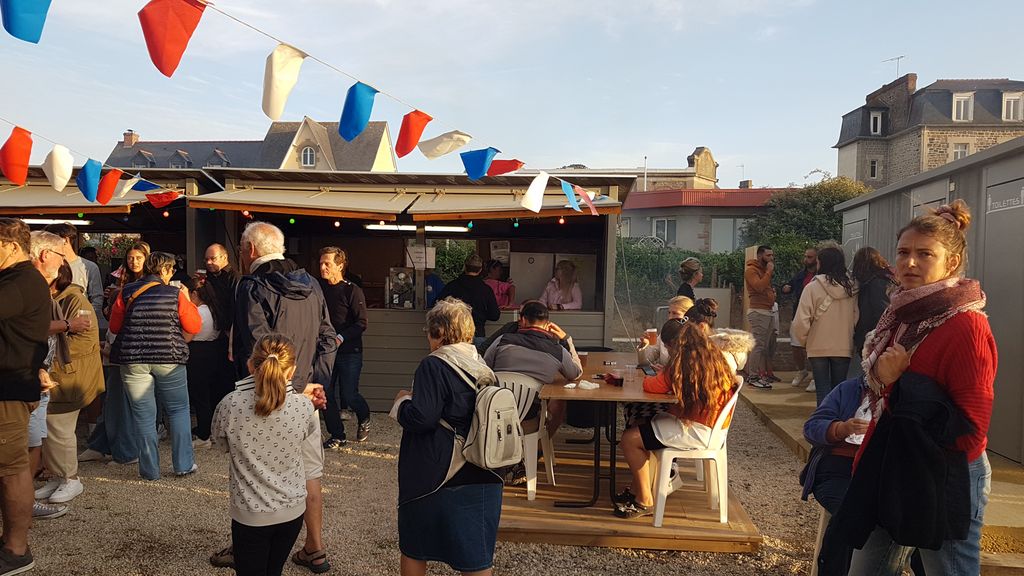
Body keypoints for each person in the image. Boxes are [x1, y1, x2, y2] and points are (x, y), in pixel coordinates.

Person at [844, 200, 995, 575]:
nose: (910, 262)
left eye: (925, 254)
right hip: (896, 458)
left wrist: (898, 381)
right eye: (903, 252)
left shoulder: (966, 326)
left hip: (944, 472)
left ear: (951, 263)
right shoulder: (900, 315)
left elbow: (971, 430)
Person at [216, 221, 336, 574]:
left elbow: (258, 346)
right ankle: (314, 547)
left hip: (264, 396)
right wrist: (314, 383)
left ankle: (249, 546)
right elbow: (329, 337)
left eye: (240, 249)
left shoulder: (251, 286)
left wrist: (288, 387)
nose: (240, 256)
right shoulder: (312, 283)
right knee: (308, 471)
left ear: (250, 250)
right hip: (304, 397)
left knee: (255, 470)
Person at [394, 298, 503, 576]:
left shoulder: (434, 365)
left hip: (437, 472)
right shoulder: (482, 365)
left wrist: (402, 403)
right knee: (476, 556)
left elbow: (423, 418)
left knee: (415, 546)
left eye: (429, 332)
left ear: (439, 332)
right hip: (482, 468)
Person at [615, 316, 743, 519]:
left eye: (668, 348)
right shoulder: (711, 355)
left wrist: (663, 374)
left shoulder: (682, 363)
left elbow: (651, 386)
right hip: (710, 426)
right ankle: (637, 489)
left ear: (674, 344)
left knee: (630, 439)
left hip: (697, 430)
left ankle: (645, 501)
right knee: (642, 424)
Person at [212, 335, 319, 576]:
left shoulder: (230, 404)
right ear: (292, 370)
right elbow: (305, 435)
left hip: (250, 513)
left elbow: (220, 443)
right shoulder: (304, 406)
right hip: (292, 510)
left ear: (251, 365)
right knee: (274, 570)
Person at [108, 251, 201, 480]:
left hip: (133, 360)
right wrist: (187, 299)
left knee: (143, 415)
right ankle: (183, 464)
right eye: (172, 270)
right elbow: (194, 326)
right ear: (166, 270)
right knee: (178, 410)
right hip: (169, 358)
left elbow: (115, 326)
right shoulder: (175, 294)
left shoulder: (126, 291)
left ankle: (150, 470)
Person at [0, 218, 53, 575]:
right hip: (12, 384)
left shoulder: (21, 281)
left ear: (11, 246)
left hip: (8, 388)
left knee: (12, 469)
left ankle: (16, 550)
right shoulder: (17, 279)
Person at [35, 256, 103, 506]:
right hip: (57, 372)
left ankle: (71, 478)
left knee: (60, 428)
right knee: (50, 428)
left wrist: (48, 354)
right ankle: (57, 475)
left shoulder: (75, 299)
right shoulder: (55, 298)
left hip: (69, 374)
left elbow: (84, 341)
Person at [483, 300, 582, 439]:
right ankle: (540, 446)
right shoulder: (557, 350)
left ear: (523, 320)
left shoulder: (502, 340)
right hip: (529, 420)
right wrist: (567, 339)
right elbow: (575, 373)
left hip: (494, 414)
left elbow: (484, 367)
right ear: (547, 325)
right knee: (559, 402)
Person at [791, 246, 858, 406]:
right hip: (843, 345)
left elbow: (800, 321)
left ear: (821, 263)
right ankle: (837, 419)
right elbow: (856, 316)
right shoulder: (852, 288)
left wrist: (804, 341)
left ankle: (823, 419)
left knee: (822, 390)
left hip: (817, 345)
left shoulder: (812, 288)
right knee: (839, 390)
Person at [318, 246, 371, 449]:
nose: (323, 267)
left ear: (340, 266)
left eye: (327, 264)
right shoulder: (318, 289)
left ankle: (364, 416)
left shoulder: (352, 290)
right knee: (326, 393)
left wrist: (341, 337)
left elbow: (362, 322)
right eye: (321, 263)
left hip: (350, 351)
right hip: (325, 350)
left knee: (349, 394)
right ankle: (337, 435)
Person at [183, 275, 235, 448]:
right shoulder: (213, 309)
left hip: (197, 352)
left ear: (194, 293)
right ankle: (212, 430)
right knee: (211, 393)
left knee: (200, 395)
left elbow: (188, 336)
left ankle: (204, 434)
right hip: (214, 350)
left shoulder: (197, 312)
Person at [849, 247, 896, 379]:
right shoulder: (885, 279)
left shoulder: (875, 283)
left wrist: (872, 338)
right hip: (876, 338)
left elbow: (881, 312)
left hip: (872, 337)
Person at [43, 223, 103, 320]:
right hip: (52, 319)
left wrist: (88, 318)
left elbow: (97, 298)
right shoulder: (48, 264)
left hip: (80, 320)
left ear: (66, 240)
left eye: (51, 240)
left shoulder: (89, 267)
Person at [438, 254, 500, 346]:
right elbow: (495, 315)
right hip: (477, 333)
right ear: (480, 269)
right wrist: (481, 315)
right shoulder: (486, 289)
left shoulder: (452, 286)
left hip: (454, 334)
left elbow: (438, 307)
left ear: (465, 267)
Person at [782, 248, 818, 390]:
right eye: (805, 256)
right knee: (796, 344)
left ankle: (816, 376)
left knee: (814, 347)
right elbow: (790, 285)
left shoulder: (821, 277)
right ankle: (802, 370)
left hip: (816, 315)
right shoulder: (801, 275)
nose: (806, 259)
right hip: (799, 313)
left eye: (809, 257)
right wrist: (786, 288)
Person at [744, 245, 775, 389]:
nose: (771, 258)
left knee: (763, 346)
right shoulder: (751, 270)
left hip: (767, 311)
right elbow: (759, 287)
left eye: (772, 255)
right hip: (758, 312)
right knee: (758, 345)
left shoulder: (762, 270)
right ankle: (753, 376)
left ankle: (758, 375)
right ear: (759, 256)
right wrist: (769, 272)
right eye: (768, 255)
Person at [638, 296, 694, 368]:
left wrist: (665, 371)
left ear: (687, 316)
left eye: (675, 313)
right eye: (669, 313)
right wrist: (644, 345)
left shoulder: (694, 337)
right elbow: (645, 362)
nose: (670, 317)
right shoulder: (666, 333)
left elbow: (693, 368)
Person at [103, 242, 150, 319]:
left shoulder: (151, 278)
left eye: (139, 258)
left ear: (146, 259)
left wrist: (120, 292)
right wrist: (112, 298)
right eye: (130, 258)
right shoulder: (122, 276)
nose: (134, 262)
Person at [203, 243, 239, 335]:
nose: (208, 262)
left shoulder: (234, 277)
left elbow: (236, 305)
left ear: (224, 257)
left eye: (213, 258)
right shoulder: (207, 276)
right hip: (212, 329)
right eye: (206, 259)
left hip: (229, 329)